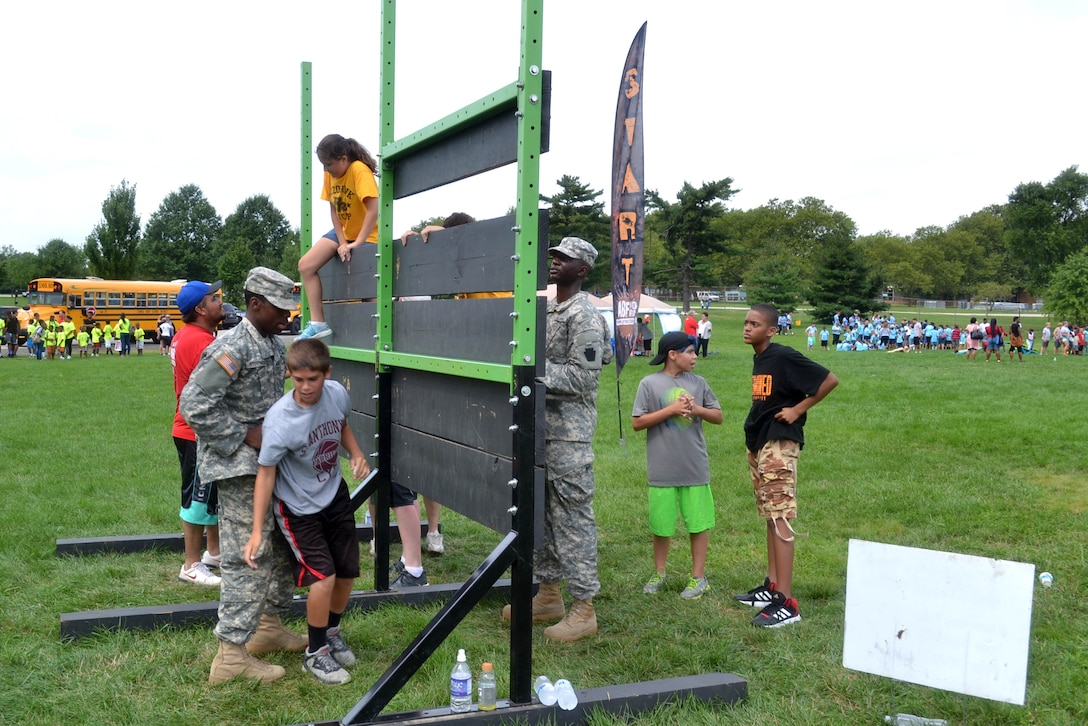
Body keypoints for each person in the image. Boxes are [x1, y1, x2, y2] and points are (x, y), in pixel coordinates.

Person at [179, 267, 307, 684]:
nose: (288, 317)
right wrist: (243, 435)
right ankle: (231, 656)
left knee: (282, 547)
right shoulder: (232, 346)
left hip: (268, 466)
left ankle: (267, 628)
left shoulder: (268, 341)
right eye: (281, 309)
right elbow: (194, 404)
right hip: (239, 470)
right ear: (255, 304)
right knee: (245, 558)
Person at [500, 237, 612, 642]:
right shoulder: (549, 307)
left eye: (564, 259)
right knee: (542, 516)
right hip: (539, 430)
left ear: (582, 270)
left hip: (569, 436)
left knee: (572, 520)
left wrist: (534, 372)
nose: (555, 263)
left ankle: (585, 608)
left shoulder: (582, 313)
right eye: (554, 256)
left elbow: (584, 378)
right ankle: (549, 595)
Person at [244, 339, 370, 685]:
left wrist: (357, 453)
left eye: (312, 379)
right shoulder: (280, 420)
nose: (305, 387)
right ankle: (315, 653)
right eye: (297, 379)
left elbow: (341, 424)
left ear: (327, 374)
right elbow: (266, 473)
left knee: (347, 573)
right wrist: (257, 529)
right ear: (291, 375)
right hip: (297, 507)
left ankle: (330, 633)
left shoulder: (336, 394)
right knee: (323, 577)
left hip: (334, 494)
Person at [733, 304, 837, 628]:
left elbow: (828, 380)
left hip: (780, 441)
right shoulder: (761, 358)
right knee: (769, 515)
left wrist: (797, 409)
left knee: (780, 518)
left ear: (772, 330)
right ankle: (773, 587)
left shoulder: (783, 356)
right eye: (746, 322)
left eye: (755, 324)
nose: (747, 328)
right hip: (761, 442)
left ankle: (787, 604)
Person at [632, 331, 723, 600]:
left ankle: (698, 577)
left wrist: (697, 410)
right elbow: (638, 423)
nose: (695, 357)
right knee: (661, 525)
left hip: (694, 467)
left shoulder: (699, 383)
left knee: (698, 523)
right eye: (690, 352)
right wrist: (671, 410)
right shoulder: (649, 384)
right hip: (662, 469)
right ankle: (659, 572)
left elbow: (718, 416)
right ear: (673, 355)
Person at [297, 134, 380, 340]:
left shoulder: (359, 170)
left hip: (368, 234)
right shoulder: (330, 175)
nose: (326, 169)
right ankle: (318, 323)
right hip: (344, 231)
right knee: (306, 265)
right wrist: (342, 242)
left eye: (329, 164)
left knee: (366, 290)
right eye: (323, 165)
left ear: (343, 159)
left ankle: (376, 333)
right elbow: (334, 212)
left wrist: (358, 243)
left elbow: (373, 209)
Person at [171, 280, 227, 588]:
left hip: (188, 427)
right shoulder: (202, 342)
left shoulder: (187, 335)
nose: (220, 302)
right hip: (196, 431)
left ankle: (214, 552)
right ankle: (191, 565)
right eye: (214, 298)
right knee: (198, 496)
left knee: (209, 495)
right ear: (200, 309)